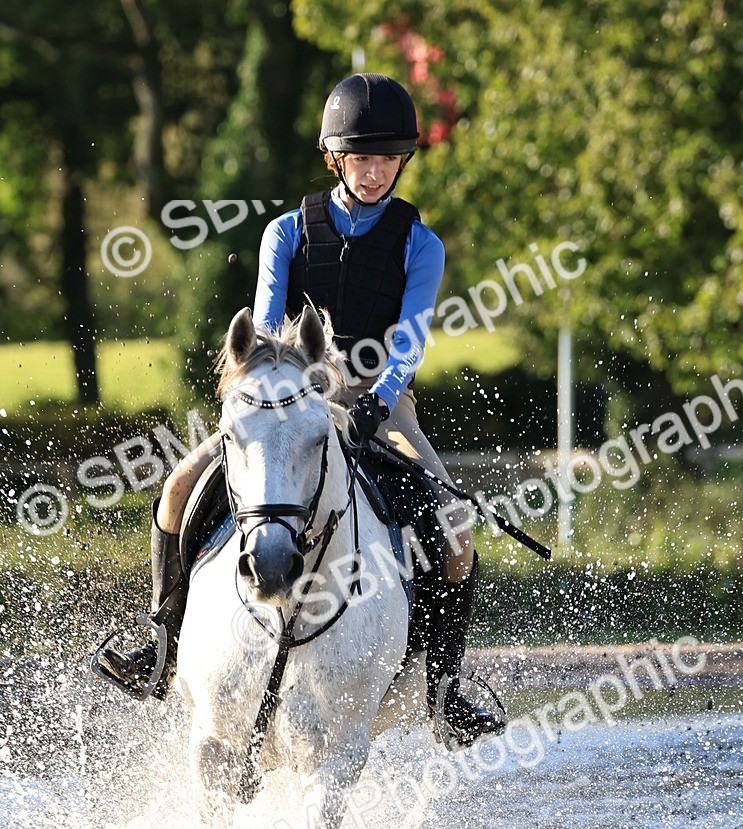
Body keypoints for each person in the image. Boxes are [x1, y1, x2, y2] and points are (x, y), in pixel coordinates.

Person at [96, 72, 503, 745]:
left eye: (387, 159)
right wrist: (278, 390)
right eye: (360, 158)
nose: (374, 172)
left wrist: (376, 403)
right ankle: (160, 646)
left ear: (403, 160)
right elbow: (262, 327)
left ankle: (445, 691)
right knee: (175, 492)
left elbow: (409, 340)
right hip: (283, 399)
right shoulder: (286, 232)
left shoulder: (419, 244)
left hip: (379, 401)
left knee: (455, 534)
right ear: (335, 157)